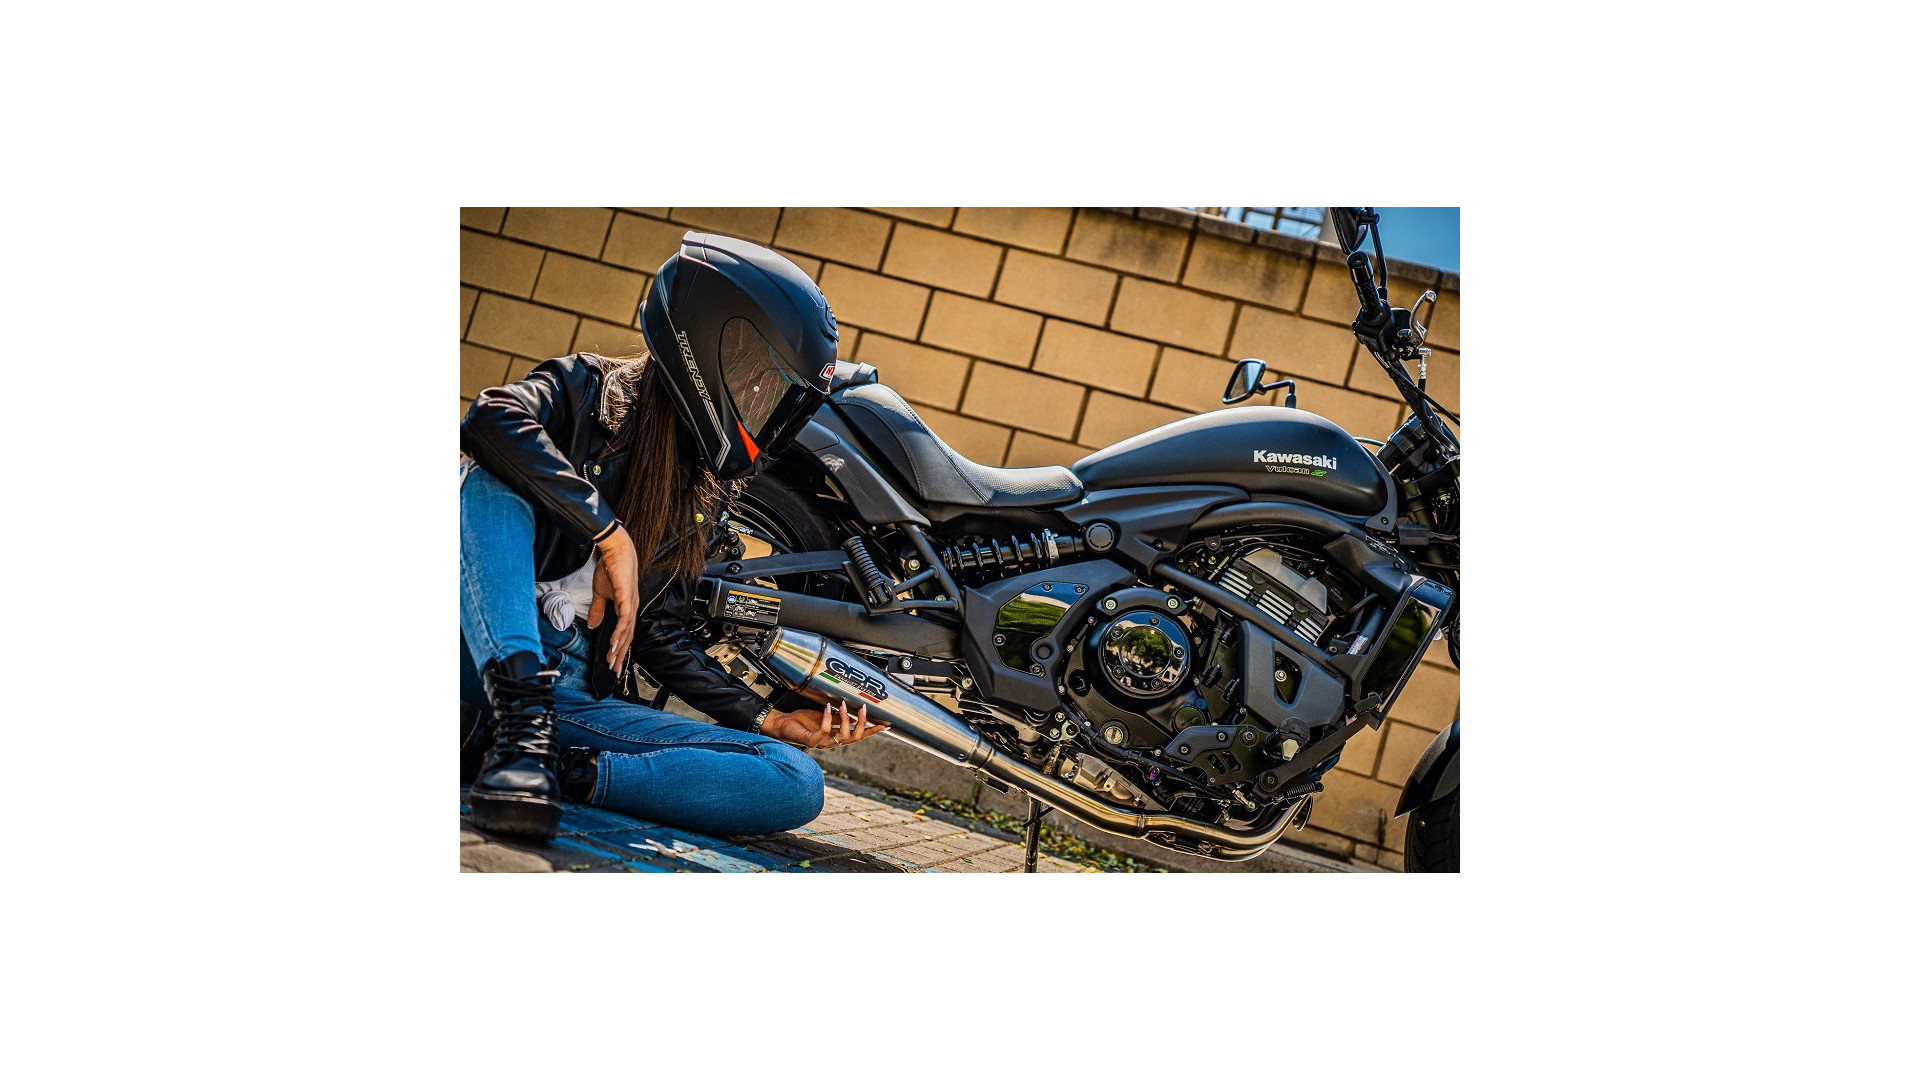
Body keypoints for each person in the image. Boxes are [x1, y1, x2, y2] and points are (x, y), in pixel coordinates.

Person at [459, 231, 888, 841]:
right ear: (710, 345)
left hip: (569, 696)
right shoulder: (585, 390)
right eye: (758, 378)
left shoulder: (701, 492)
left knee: (794, 779)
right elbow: (489, 418)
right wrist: (608, 534)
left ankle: (551, 766)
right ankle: (519, 729)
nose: (762, 400)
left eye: (776, 393)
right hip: (478, 651)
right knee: (488, 481)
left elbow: (659, 635)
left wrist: (767, 718)